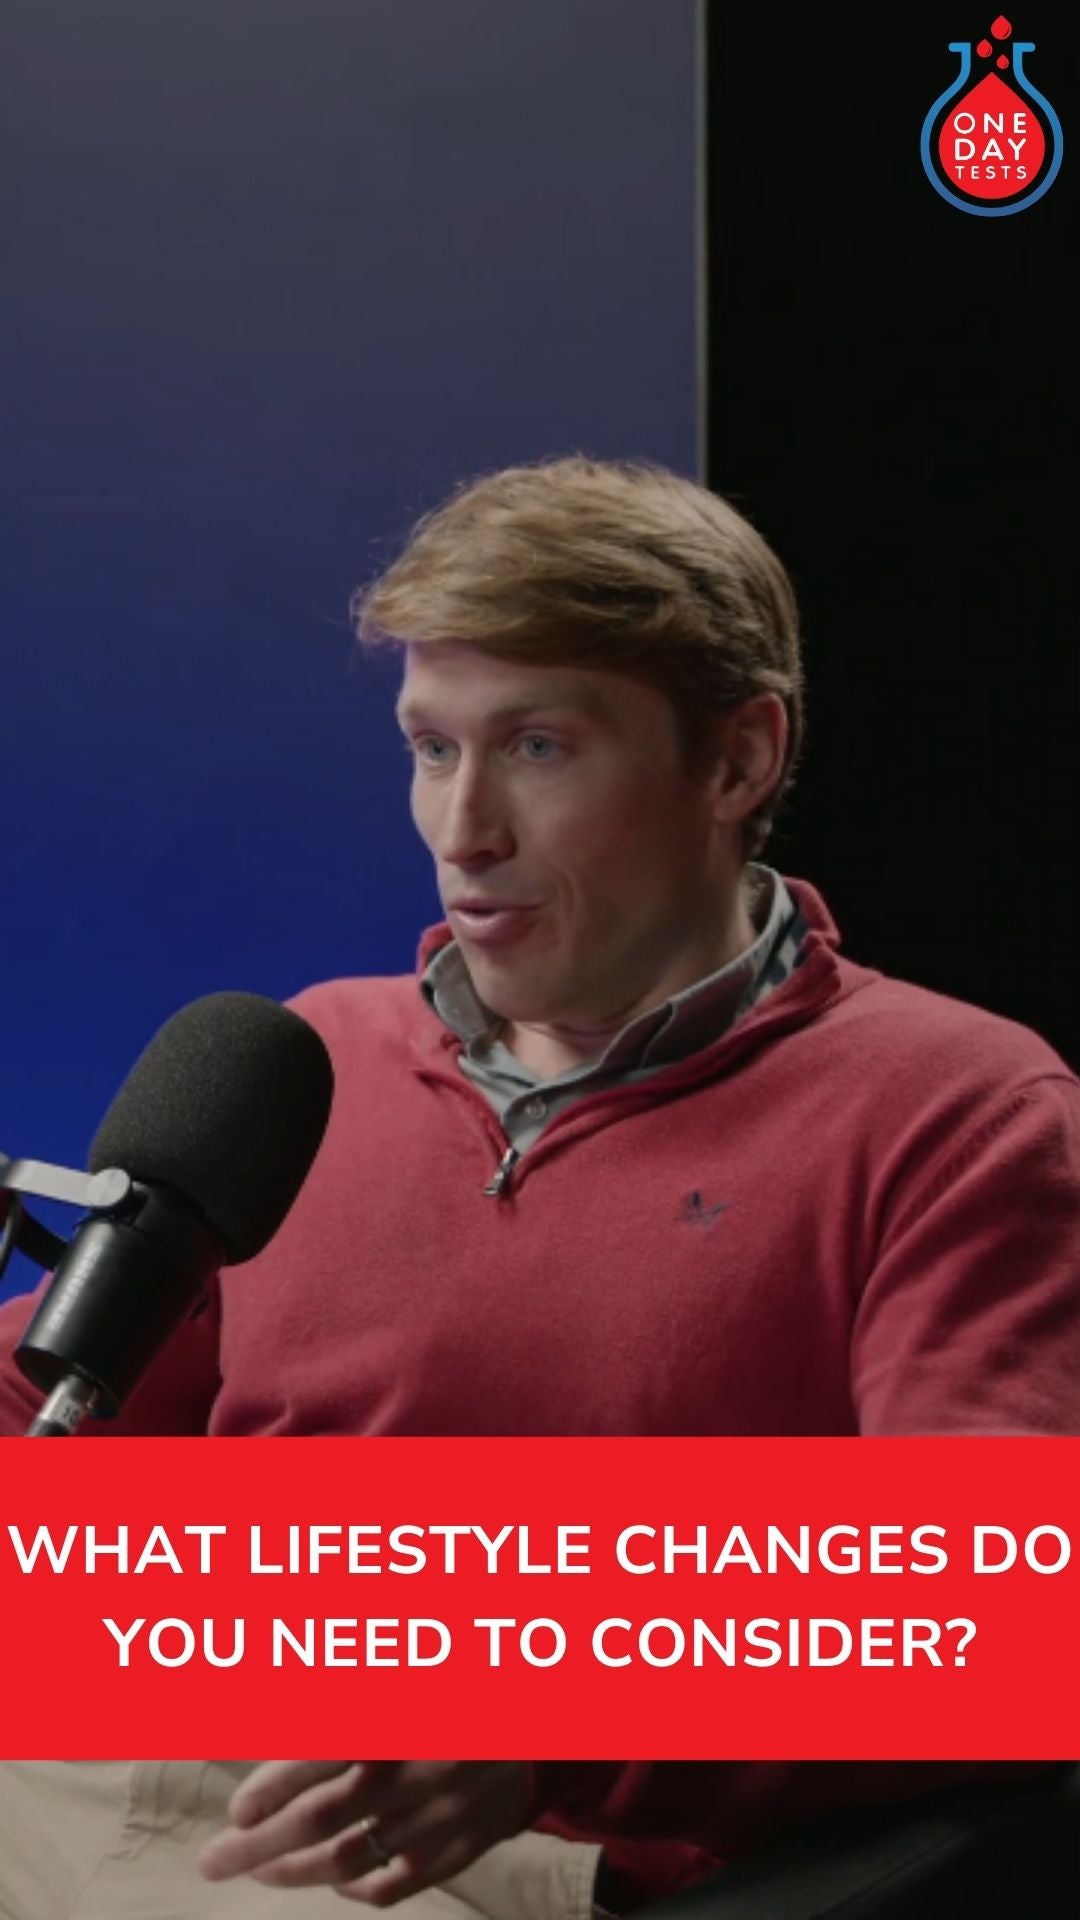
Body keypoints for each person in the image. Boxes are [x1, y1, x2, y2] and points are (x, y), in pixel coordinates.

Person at [1, 455, 1078, 1919]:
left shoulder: (959, 1111)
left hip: (473, 1858)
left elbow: (981, 1616)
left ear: (739, 762)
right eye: (431, 748)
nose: (463, 830)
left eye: (539, 747)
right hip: (121, 1756)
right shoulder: (316, 1060)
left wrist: (545, 1707)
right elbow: (54, 1425)